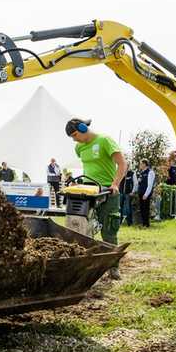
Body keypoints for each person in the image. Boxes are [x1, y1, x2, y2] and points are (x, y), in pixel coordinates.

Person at [66, 117, 127, 278]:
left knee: (109, 229)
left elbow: (122, 164)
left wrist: (115, 184)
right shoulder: (79, 147)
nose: (74, 140)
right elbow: (90, 167)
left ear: (82, 128)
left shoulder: (105, 141)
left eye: (74, 135)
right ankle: (85, 264)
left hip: (107, 190)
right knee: (83, 229)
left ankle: (113, 266)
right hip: (88, 192)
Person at [137, 159, 156, 228]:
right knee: (142, 209)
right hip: (141, 192)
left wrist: (146, 194)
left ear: (145, 164)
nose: (140, 165)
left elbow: (150, 185)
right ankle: (143, 223)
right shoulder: (141, 172)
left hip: (145, 193)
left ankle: (146, 224)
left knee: (146, 209)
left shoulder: (150, 172)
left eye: (141, 164)